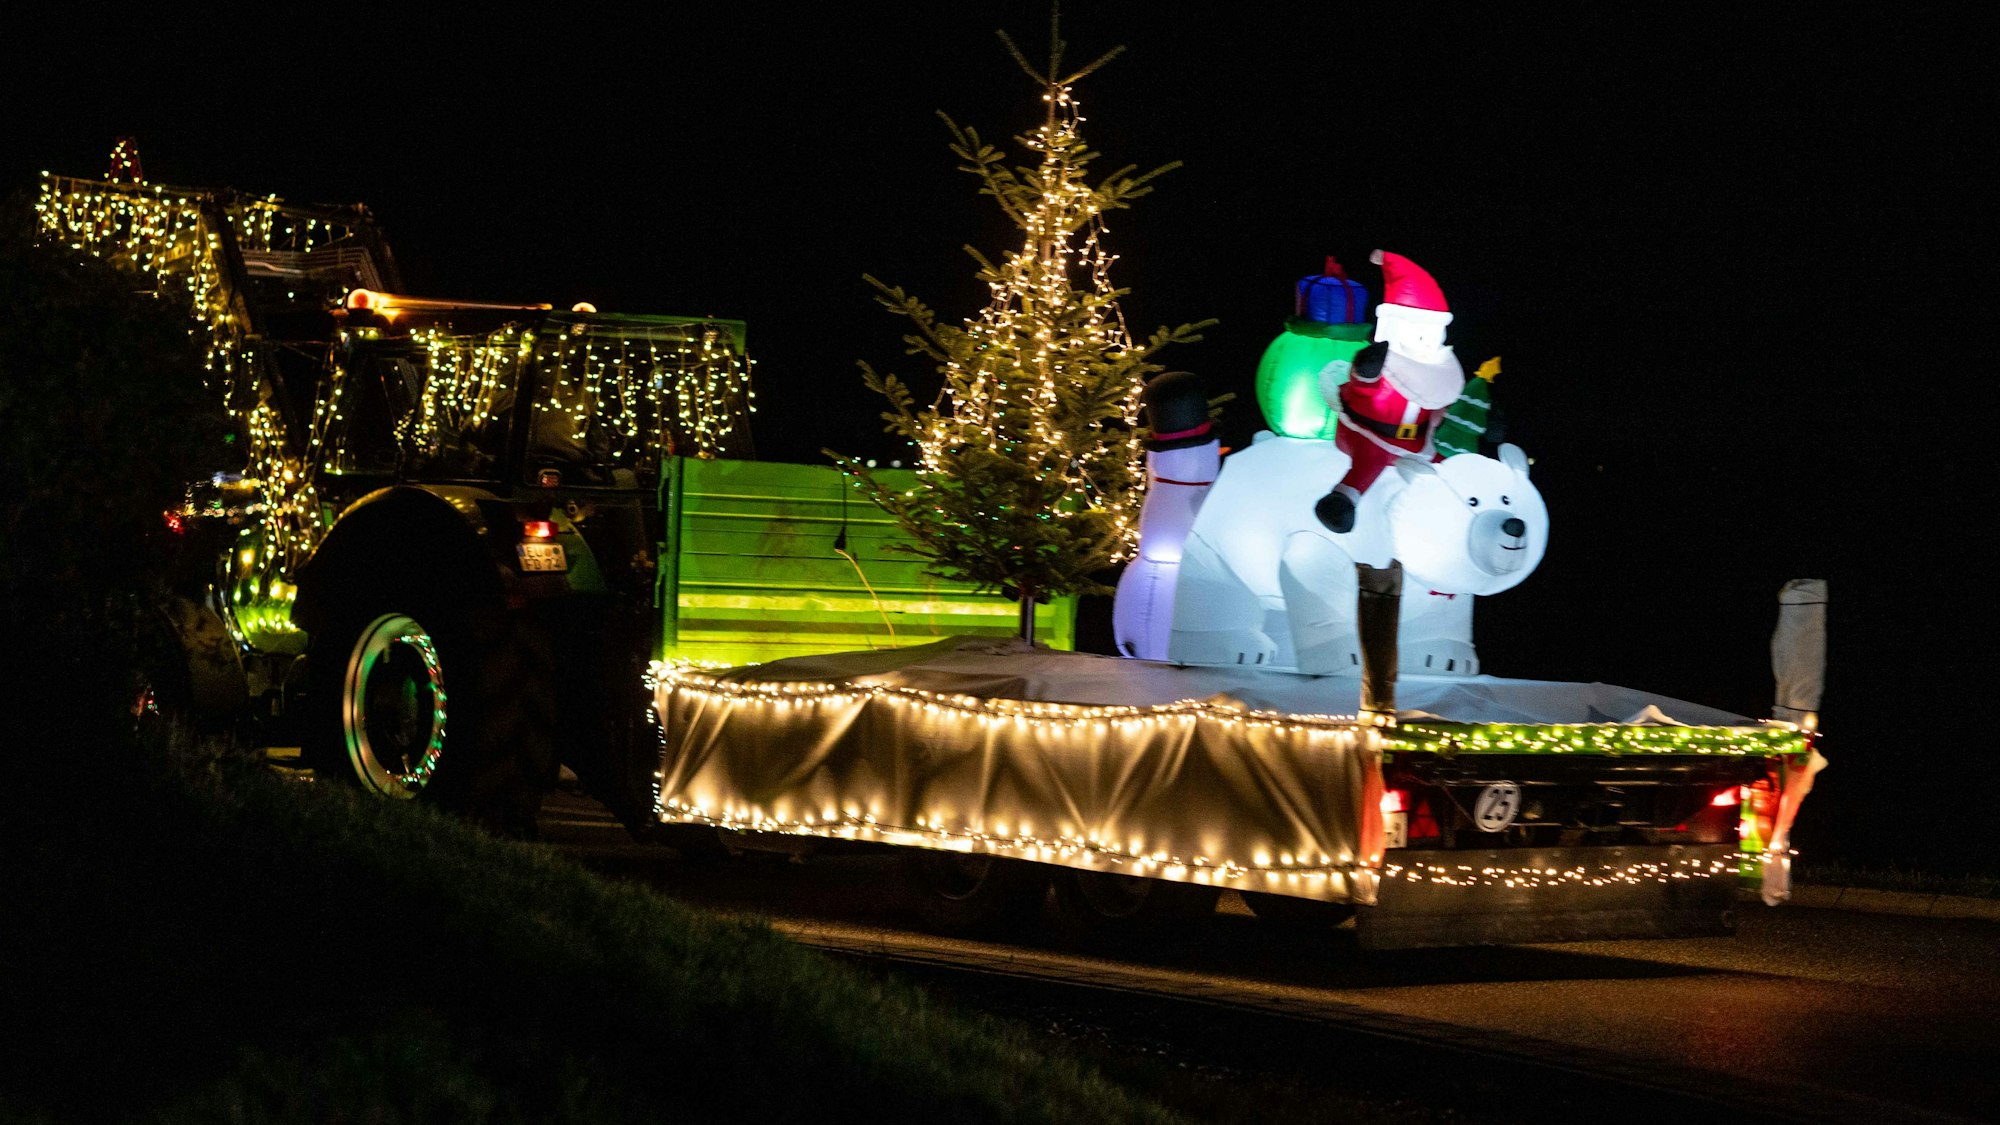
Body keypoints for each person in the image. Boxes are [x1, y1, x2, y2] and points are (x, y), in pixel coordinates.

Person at [1312, 250, 1466, 533]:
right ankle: (1342, 501)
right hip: (1372, 434)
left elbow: (1435, 403)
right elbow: (1361, 388)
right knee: (1369, 464)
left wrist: (1441, 414)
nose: (1427, 341)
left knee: (1448, 467)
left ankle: (1465, 494)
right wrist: (1366, 371)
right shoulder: (1386, 363)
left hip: (1415, 441)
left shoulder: (1436, 368)